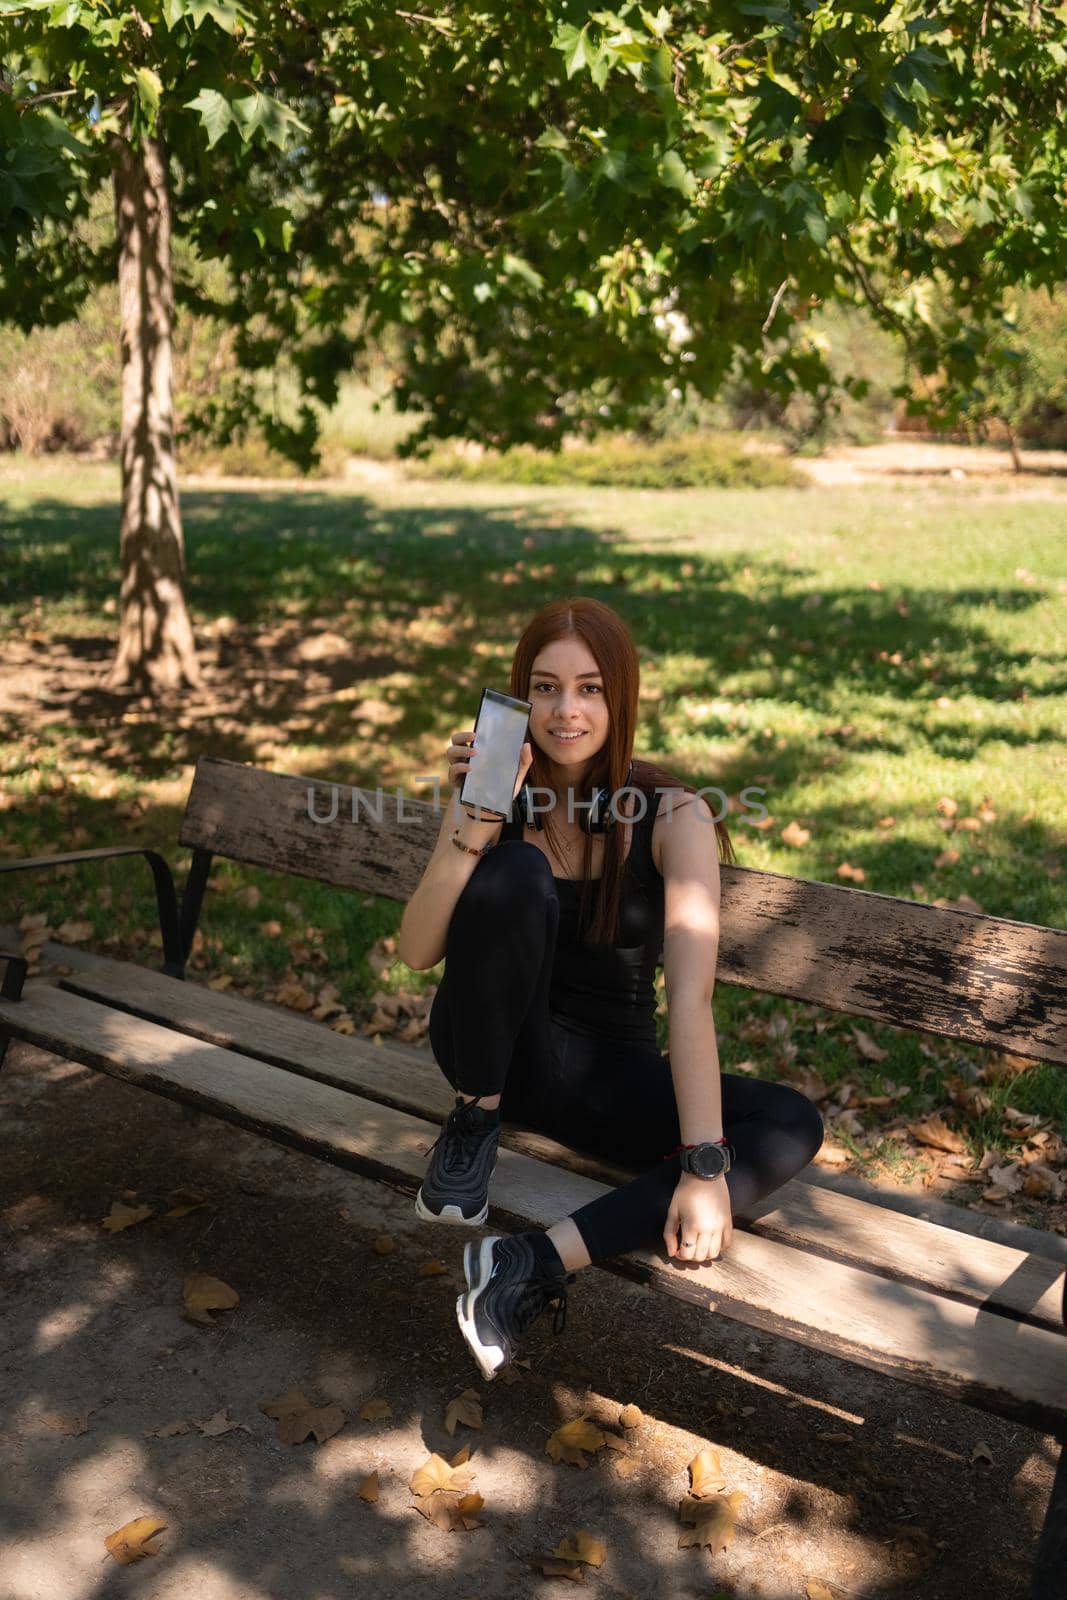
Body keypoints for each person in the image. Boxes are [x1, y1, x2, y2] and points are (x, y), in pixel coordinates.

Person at [398, 596, 823, 1381]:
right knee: (517, 870)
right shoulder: (494, 793)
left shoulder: (673, 814)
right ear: (521, 694)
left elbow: (689, 1000)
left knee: (790, 1120)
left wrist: (703, 1167)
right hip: (488, 1058)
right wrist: (471, 824)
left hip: (599, 1078)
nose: (567, 711)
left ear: (619, 698)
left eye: (590, 688)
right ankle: (474, 1126)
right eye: (547, 687)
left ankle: (530, 1262)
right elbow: (418, 950)